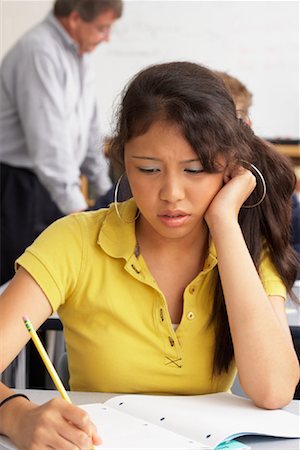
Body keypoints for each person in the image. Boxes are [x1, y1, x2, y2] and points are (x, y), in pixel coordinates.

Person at [0, 61, 299, 449]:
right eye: (149, 168)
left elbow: (274, 391)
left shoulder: (246, 247)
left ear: (230, 166)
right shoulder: (73, 242)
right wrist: (16, 414)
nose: (171, 193)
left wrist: (224, 220)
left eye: (195, 170)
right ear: (124, 161)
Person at [0, 0, 123, 285]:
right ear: (74, 19)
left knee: (51, 280)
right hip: (20, 188)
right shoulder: (39, 53)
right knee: (20, 283)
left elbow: (90, 129)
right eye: (102, 28)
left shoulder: (79, 53)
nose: (107, 37)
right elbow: (49, 147)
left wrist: (106, 194)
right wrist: (79, 214)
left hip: (50, 187)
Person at [215, 70, 300, 262]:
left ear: (247, 124)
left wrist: (271, 263)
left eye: (228, 124)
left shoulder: (272, 175)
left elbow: (296, 242)